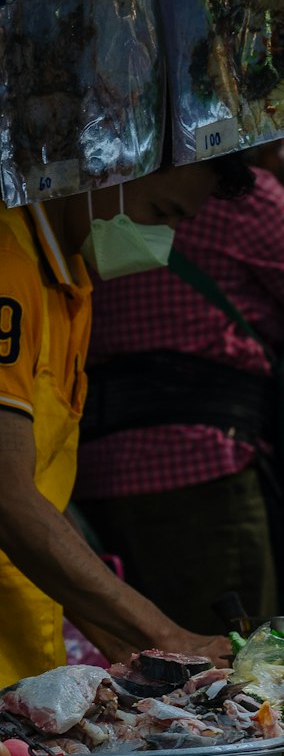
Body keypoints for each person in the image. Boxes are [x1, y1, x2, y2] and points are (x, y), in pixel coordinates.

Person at [74, 141, 284, 631]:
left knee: (146, 660)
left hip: (95, 470)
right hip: (201, 473)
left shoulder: (114, 201)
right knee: (234, 658)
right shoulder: (245, 197)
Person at [0, 156, 253, 688]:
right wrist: (167, 636)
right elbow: (6, 495)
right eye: (160, 211)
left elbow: (40, 489)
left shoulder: (70, 286)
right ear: (107, 172)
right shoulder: (7, 264)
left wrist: (131, 646)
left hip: (20, 644)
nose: (161, 239)